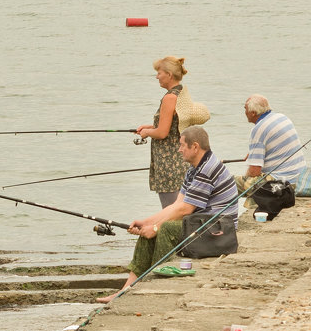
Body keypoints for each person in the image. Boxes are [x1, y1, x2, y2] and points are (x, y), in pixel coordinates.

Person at [97, 126, 238, 303]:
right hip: (201, 223)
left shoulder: (207, 169)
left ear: (195, 146)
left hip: (217, 230)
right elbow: (176, 205)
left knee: (167, 229)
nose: (179, 149)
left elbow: (185, 210)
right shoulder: (193, 170)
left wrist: (156, 227)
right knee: (149, 232)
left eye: (182, 145)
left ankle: (154, 282)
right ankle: (125, 290)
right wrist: (146, 223)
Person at [134, 56, 194, 208]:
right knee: (182, 209)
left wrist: (148, 133)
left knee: (170, 211)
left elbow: (162, 133)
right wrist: (149, 127)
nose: (157, 76)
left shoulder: (169, 98)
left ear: (169, 74)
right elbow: (173, 126)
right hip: (181, 160)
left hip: (169, 163)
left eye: (159, 73)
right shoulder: (181, 93)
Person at [233, 95, 307, 193]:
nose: (245, 112)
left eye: (245, 109)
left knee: (226, 183)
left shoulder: (258, 129)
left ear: (253, 113)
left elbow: (254, 172)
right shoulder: (282, 117)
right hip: (300, 177)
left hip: (281, 183)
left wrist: (246, 181)